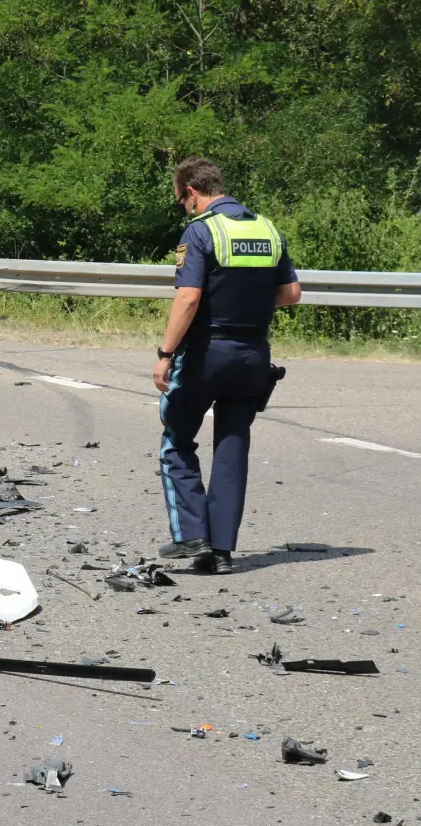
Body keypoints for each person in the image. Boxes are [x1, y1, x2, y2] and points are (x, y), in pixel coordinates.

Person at [152, 157, 301, 574]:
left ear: (192, 193)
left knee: (176, 440)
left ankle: (191, 536)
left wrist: (165, 354)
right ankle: (220, 553)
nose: (185, 208)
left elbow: (188, 298)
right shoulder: (267, 228)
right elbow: (291, 293)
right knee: (232, 446)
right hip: (254, 355)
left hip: (207, 353)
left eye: (182, 201)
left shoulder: (202, 231)